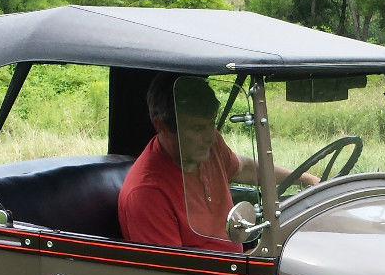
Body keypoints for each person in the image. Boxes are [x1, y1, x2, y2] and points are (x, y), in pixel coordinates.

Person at [119, 74, 315, 251]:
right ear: (161, 126)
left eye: (211, 123)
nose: (211, 137)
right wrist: (251, 262)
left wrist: (306, 179)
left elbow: (243, 168)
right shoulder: (146, 193)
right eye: (198, 128)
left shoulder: (209, 148)